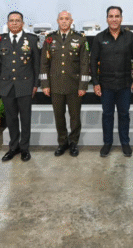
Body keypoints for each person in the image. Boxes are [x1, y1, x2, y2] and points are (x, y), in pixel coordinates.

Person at [90, 6, 133, 157]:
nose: (114, 19)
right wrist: (95, 82)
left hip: (125, 84)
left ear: (121, 18)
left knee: (124, 114)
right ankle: (107, 143)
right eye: (111, 16)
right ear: (107, 19)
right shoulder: (100, 37)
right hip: (106, 85)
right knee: (107, 115)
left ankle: (125, 142)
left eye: (117, 16)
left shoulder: (130, 37)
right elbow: (93, 61)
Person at [40, 11, 91, 157]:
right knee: (59, 116)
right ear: (57, 21)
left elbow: (84, 64)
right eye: (61, 19)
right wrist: (45, 84)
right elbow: (44, 63)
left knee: (75, 117)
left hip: (74, 86)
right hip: (55, 85)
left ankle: (73, 142)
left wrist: (83, 86)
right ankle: (62, 142)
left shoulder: (80, 38)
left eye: (66, 19)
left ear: (71, 21)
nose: (64, 21)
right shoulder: (50, 39)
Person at [0, 11, 40, 162]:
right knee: (11, 118)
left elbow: (36, 64)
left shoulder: (32, 40)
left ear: (23, 23)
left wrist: (35, 85)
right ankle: (13, 147)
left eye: (17, 20)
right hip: (6, 85)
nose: (14, 23)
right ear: (7, 23)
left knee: (25, 118)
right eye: (11, 21)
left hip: (25, 85)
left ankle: (25, 148)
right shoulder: (0, 39)